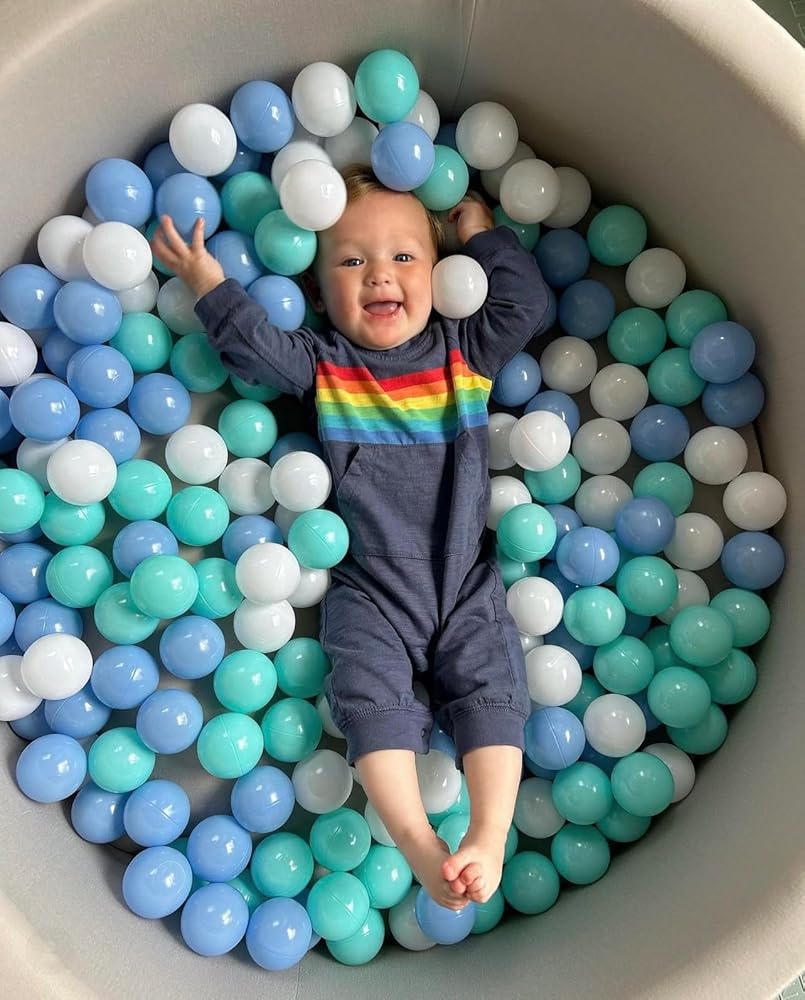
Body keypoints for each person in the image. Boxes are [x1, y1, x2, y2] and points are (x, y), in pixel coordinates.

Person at [151, 165, 551, 911]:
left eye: (404, 256)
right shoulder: (327, 365)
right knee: (370, 700)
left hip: (464, 577)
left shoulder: (463, 351)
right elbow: (256, 348)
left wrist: (480, 235)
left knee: (494, 688)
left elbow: (525, 304)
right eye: (352, 260)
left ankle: (489, 833)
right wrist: (207, 280)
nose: (379, 275)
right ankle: (418, 841)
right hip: (368, 587)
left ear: (440, 275)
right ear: (317, 289)